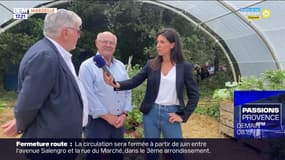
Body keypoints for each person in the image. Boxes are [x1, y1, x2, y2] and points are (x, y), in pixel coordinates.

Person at [1, 9, 88, 138]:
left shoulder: (53, 53)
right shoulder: (46, 56)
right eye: (78, 31)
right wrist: (20, 124)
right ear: (65, 32)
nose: (79, 35)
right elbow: (28, 104)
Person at [104, 28, 199, 138]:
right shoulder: (151, 64)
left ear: (172, 45)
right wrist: (116, 84)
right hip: (151, 113)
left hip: (171, 114)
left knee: (176, 153)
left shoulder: (184, 67)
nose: (158, 45)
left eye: (162, 42)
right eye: (157, 42)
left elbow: (194, 95)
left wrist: (183, 116)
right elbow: (134, 81)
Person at [78, 31, 131, 159]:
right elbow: (87, 96)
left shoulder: (120, 66)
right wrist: (108, 117)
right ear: (97, 43)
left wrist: (125, 113)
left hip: (118, 122)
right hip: (97, 123)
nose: (108, 45)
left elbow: (127, 90)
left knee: (117, 156)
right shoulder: (87, 66)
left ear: (115, 46)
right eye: (104, 42)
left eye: (111, 42)